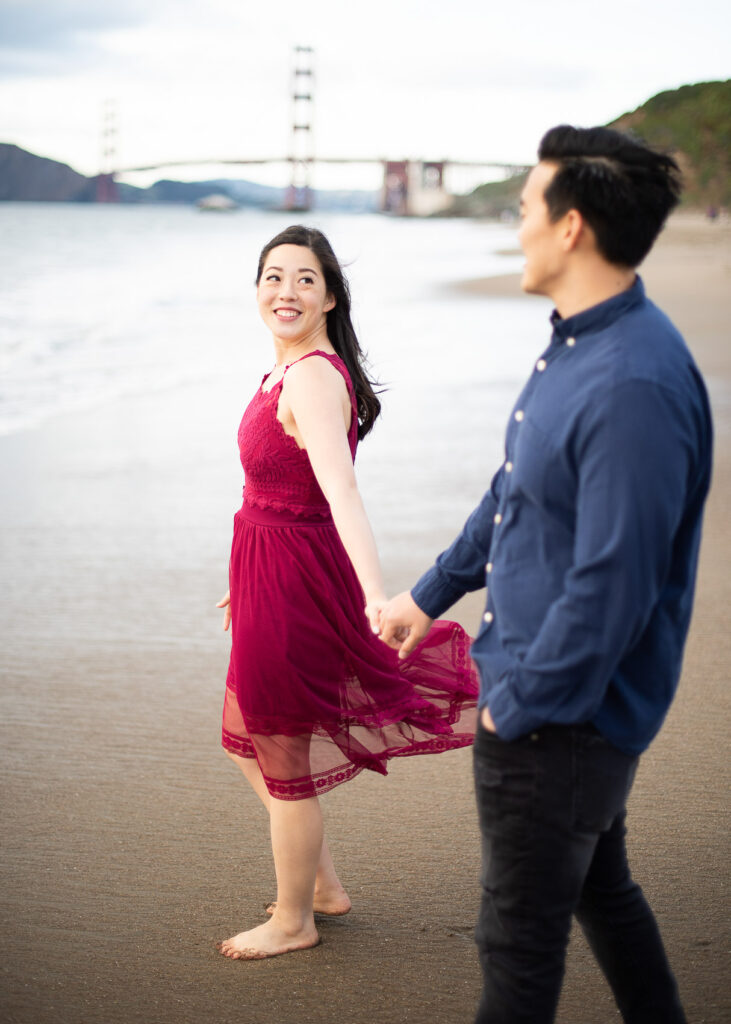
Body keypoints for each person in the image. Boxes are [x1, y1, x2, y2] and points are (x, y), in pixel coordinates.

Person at [379, 126, 712, 1023]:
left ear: (570, 227)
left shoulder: (630, 383)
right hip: (554, 709)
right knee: (604, 894)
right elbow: (514, 491)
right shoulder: (578, 345)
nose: (516, 223)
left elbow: (614, 586)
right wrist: (432, 591)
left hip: (560, 722)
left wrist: (515, 709)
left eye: (526, 207)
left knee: (516, 956)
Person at [215, 225, 478, 961]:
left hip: (297, 579)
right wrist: (240, 582)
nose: (286, 291)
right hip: (266, 574)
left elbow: (341, 495)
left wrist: (374, 596)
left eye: (305, 279)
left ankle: (295, 919)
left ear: (330, 296)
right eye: (273, 277)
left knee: (277, 748)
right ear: (257, 290)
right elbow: (267, 491)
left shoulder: (309, 378)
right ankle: (321, 886)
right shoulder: (282, 370)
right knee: (245, 738)